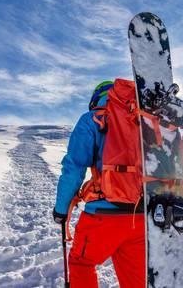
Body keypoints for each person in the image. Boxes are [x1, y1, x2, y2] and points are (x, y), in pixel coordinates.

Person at [52, 80, 145, 288]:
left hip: (103, 216)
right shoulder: (141, 120)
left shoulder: (91, 119)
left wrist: (61, 209)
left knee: (81, 263)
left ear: (97, 98)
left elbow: (74, 168)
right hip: (140, 217)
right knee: (134, 278)